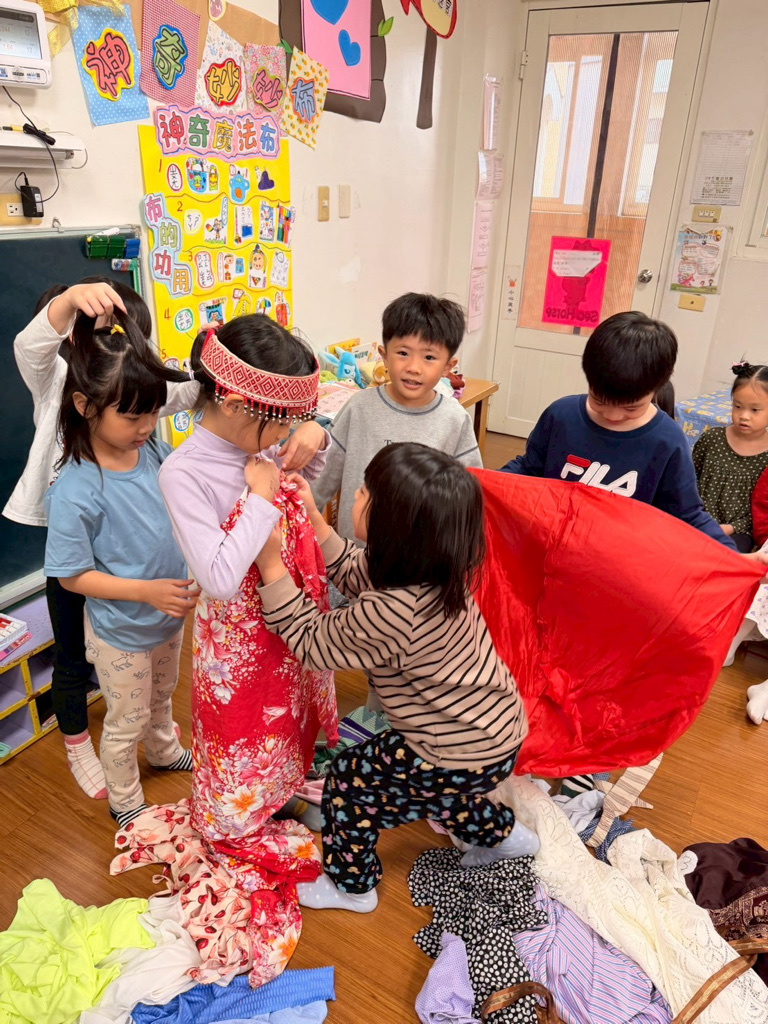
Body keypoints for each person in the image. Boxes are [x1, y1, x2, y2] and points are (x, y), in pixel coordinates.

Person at [256, 443, 536, 914]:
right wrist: (315, 518)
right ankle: (508, 836)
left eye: (366, 492)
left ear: (394, 529)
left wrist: (268, 563)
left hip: (452, 747)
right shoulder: (434, 572)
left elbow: (310, 640)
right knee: (443, 793)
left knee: (350, 783)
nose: (356, 493)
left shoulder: (393, 612)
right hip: (495, 735)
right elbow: (354, 569)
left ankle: (352, 886)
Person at [3, 279, 198, 801]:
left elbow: (181, 392)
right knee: (73, 658)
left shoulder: (139, 426)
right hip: (81, 549)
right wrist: (68, 302)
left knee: (157, 693)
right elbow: (30, 346)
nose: (146, 424)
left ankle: (162, 746)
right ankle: (78, 748)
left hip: (150, 599)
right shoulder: (60, 381)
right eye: (113, 332)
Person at [157, 316, 338, 868]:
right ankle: (238, 819)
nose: (284, 435)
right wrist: (259, 499)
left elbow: (309, 474)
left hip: (289, 616)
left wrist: (316, 434)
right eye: (279, 422)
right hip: (236, 647)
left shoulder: (258, 444)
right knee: (241, 734)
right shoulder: (183, 472)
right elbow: (217, 577)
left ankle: (279, 794)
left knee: (287, 718)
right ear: (236, 404)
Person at [500, 311, 737, 550]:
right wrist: (485, 484)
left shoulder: (667, 440)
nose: (613, 416)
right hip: (549, 543)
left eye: (631, 408)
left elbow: (687, 513)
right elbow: (528, 468)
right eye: (598, 400)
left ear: (657, 389)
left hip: (618, 556)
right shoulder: (561, 415)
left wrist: (733, 557)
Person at [311, 293, 482, 541]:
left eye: (429, 357)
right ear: (384, 356)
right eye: (403, 353)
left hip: (421, 559)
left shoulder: (455, 420)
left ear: (448, 366)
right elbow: (322, 479)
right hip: (353, 555)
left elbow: (470, 497)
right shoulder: (359, 408)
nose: (413, 367)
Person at [692, 363, 768, 553]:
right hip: (697, 520)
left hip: (740, 531)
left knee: (727, 558)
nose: (744, 416)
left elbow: (763, 509)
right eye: (737, 406)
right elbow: (688, 480)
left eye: (755, 410)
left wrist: (731, 527)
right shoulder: (712, 439)